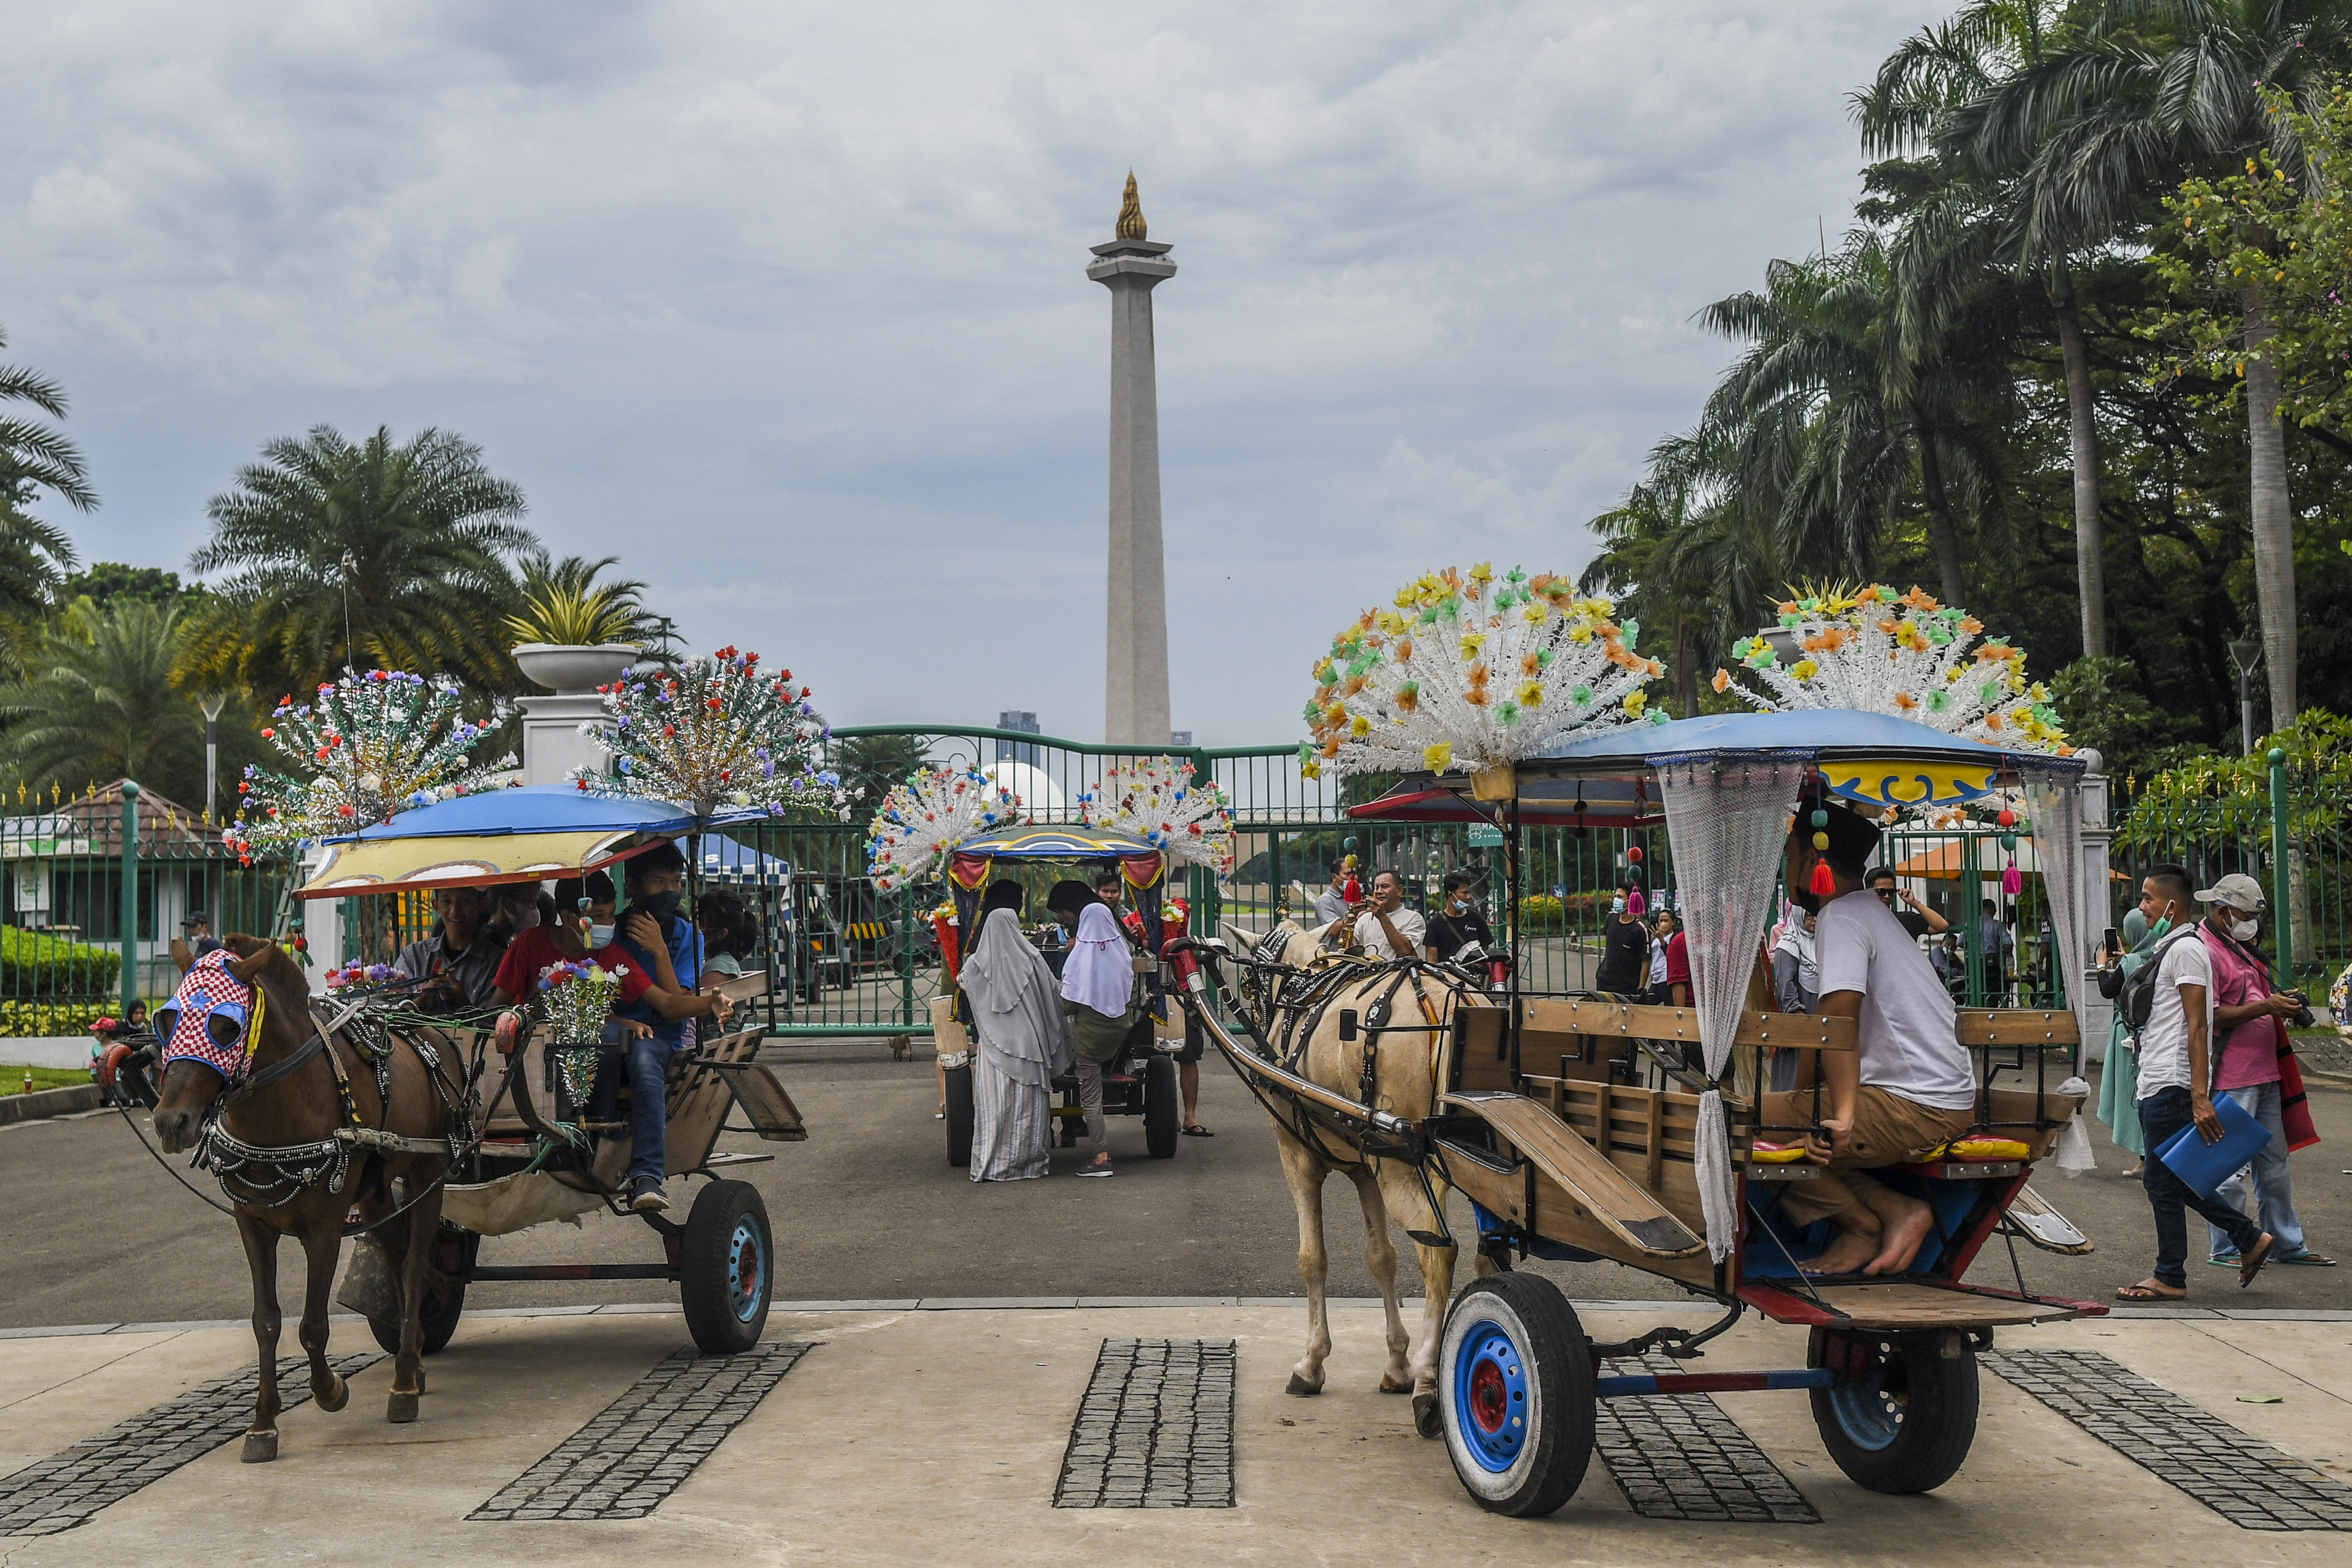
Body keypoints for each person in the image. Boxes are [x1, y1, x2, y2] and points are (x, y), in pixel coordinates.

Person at [1760, 801, 1978, 1277]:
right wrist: (1799, 1104)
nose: (1785, 869)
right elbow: (1824, 1031)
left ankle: (1861, 1225)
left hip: (1916, 1106)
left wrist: (1840, 1116)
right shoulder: (1866, 912)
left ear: (1814, 863)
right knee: (1780, 1118)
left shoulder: (1842, 917)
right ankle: (1895, 1210)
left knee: (1740, 1121)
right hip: (1932, 1100)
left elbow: (1839, 1022)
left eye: (1790, 857)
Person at [2115, 864, 2276, 1299]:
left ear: (2171, 904)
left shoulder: (2187, 950)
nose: (2142, 907)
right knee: (2176, 1178)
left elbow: (2198, 1024)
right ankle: (2248, 1238)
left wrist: (2200, 1095)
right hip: (2160, 1078)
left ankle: (2171, 1274)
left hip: (2172, 1080)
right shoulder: (2171, 947)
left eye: (2148, 898)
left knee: (2162, 1182)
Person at [2197, 874, 2333, 1271]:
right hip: (2232, 1075)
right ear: (2222, 911)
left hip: (2266, 1070)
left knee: (2275, 1166)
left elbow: (2256, 996)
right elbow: (2212, 1015)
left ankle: (2286, 1243)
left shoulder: (2242, 948)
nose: (2251, 923)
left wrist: (2281, 1002)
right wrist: (2267, 1008)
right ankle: (2226, 1246)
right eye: (2244, 915)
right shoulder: (2206, 950)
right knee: (2229, 1169)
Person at [607, 842, 736, 1212]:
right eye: (658, 882)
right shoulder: (610, 935)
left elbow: (675, 1006)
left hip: (662, 1038)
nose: (669, 891)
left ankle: (647, 1175)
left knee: (645, 1058)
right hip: (613, 1031)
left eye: (676, 882)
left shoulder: (686, 935)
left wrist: (660, 950)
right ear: (632, 886)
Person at [961, 905, 1071, 1181]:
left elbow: (963, 982)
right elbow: (1054, 993)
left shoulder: (976, 963)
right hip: (1029, 1045)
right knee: (1027, 1106)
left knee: (996, 1106)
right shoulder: (1033, 957)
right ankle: (1028, 1163)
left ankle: (993, 1162)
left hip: (995, 1048)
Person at [1060, 902, 1137, 1176]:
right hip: (1119, 1037)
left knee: (1091, 1097)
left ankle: (1101, 1158)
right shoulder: (1122, 955)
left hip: (1089, 1044)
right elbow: (1131, 994)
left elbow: (1067, 1007)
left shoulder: (1079, 957)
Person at [2094, 905, 2166, 1177]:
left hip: (2129, 1035)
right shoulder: (2158, 956)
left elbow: (2107, 989)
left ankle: (2146, 1159)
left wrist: (2102, 965)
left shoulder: (2131, 962)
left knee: (2132, 1095)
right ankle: (2149, 1159)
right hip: (2153, 1033)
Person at [393, 887, 508, 1014]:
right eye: (447, 901)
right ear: (436, 906)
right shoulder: (414, 956)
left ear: (482, 905)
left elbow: (495, 1023)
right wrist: (423, 996)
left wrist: (464, 1003)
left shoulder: (500, 962)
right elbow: (392, 1013)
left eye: (465, 901)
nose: (455, 910)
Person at [1351, 870, 1425, 961]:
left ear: (1400, 890)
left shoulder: (1414, 919)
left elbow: (1406, 952)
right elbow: (1349, 949)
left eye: (1385, 887)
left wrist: (1383, 917)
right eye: (1376, 887)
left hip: (1398, 974)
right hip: (1367, 973)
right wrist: (1351, 919)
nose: (1379, 892)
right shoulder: (1365, 918)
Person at [1592, 883, 1651, 995]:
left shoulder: (1640, 930)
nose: (1616, 900)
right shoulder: (1611, 918)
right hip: (1604, 981)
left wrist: (1641, 990)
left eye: (1620, 897)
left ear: (1630, 901)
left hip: (1626, 987)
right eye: (1616, 897)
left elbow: (1646, 961)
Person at [1423, 871, 1495, 961]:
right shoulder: (1435, 924)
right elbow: (1432, 960)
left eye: (1469, 893)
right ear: (1451, 895)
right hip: (1447, 973)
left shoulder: (1476, 918)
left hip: (1473, 973)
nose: (1468, 897)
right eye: (1464, 893)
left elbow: (1485, 950)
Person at [1865, 867, 1947, 940]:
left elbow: (1942, 926)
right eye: (1881, 892)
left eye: (1891, 892)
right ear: (1868, 893)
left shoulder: (1906, 920)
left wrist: (1914, 902)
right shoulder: (1861, 923)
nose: (1887, 896)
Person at [171, 911, 223, 975]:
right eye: (189, 927)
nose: (191, 930)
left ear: (205, 927)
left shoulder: (213, 944)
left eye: (194, 926)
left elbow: (219, 969)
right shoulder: (202, 945)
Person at [1312, 861, 1351, 930]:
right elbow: (1333, 930)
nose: (1352, 878)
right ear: (1334, 877)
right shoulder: (1325, 901)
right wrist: (1355, 916)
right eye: (1347, 874)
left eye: (1354, 874)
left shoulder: (1352, 899)